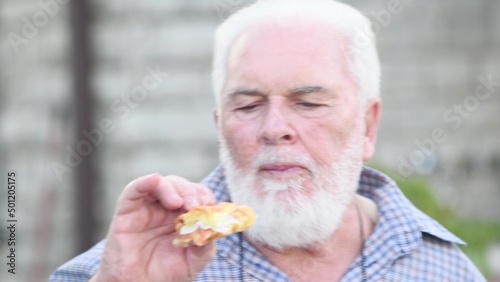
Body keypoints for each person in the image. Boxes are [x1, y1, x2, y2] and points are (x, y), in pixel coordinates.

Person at [50, 0, 486, 281]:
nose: (274, 127)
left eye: (309, 103)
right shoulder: (125, 270)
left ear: (367, 127)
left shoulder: (444, 271)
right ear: (220, 123)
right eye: (248, 106)